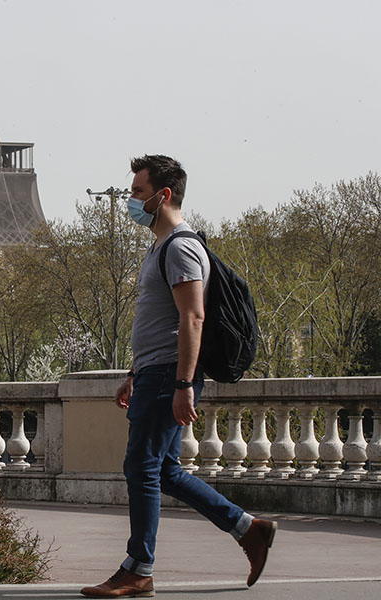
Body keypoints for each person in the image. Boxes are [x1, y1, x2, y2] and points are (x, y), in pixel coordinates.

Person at [81, 156, 276, 598]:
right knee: (165, 471)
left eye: (137, 192)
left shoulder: (181, 247)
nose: (132, 199)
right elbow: (162, 320)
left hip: (170, 375)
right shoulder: (159, 246)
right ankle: (249, 529)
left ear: (162, 195)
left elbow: (193, 317)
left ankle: (139, 568)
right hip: (155, 372)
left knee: (141, 466)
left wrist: (183, 384)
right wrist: (135, 372)